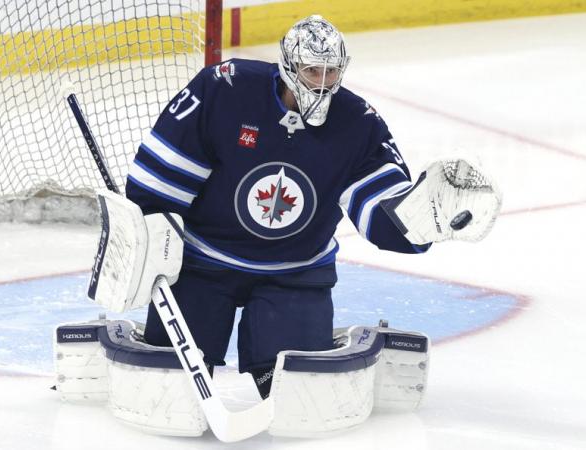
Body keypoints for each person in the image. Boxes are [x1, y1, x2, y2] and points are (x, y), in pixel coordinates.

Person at [124, 15, 500, 399]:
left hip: (294, 273)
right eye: (311, 70)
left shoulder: (358, 124)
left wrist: (422, 221)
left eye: (331, 72)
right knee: (171, 385)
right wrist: (152, 239)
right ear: (289, 67)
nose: (322, 83)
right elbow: (159, 181)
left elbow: (379, 206)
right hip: (203, 263)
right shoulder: (225, 90)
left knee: (292, 393)